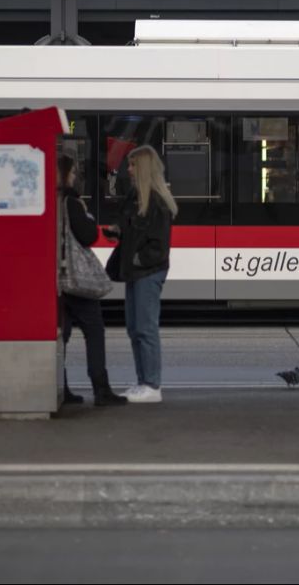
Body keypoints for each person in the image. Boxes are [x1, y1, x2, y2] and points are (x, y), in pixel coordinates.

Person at [106, 145, 177, 404]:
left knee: (145, 328)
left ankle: (151, 384)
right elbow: (131, 229)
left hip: (147, 271)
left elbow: (159, 247)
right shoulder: (136, 197)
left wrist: (137, 257)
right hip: (136, 271)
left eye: (133, 165)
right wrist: (117, 232)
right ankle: (143, 382)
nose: (129, 170)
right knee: (135, 327)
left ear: (143, 168)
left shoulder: (156, 202)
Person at [58, 155, 127, 407]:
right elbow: (87, 236)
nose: (75, 177)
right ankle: (101, 388)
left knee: (61, 335)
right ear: (65, 174)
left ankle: (60, 387)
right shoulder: (71, 202)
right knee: (94, 330)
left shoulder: (47, 201)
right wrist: (87, 218)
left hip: (55, 280)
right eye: (73, 173)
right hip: (75, 279)